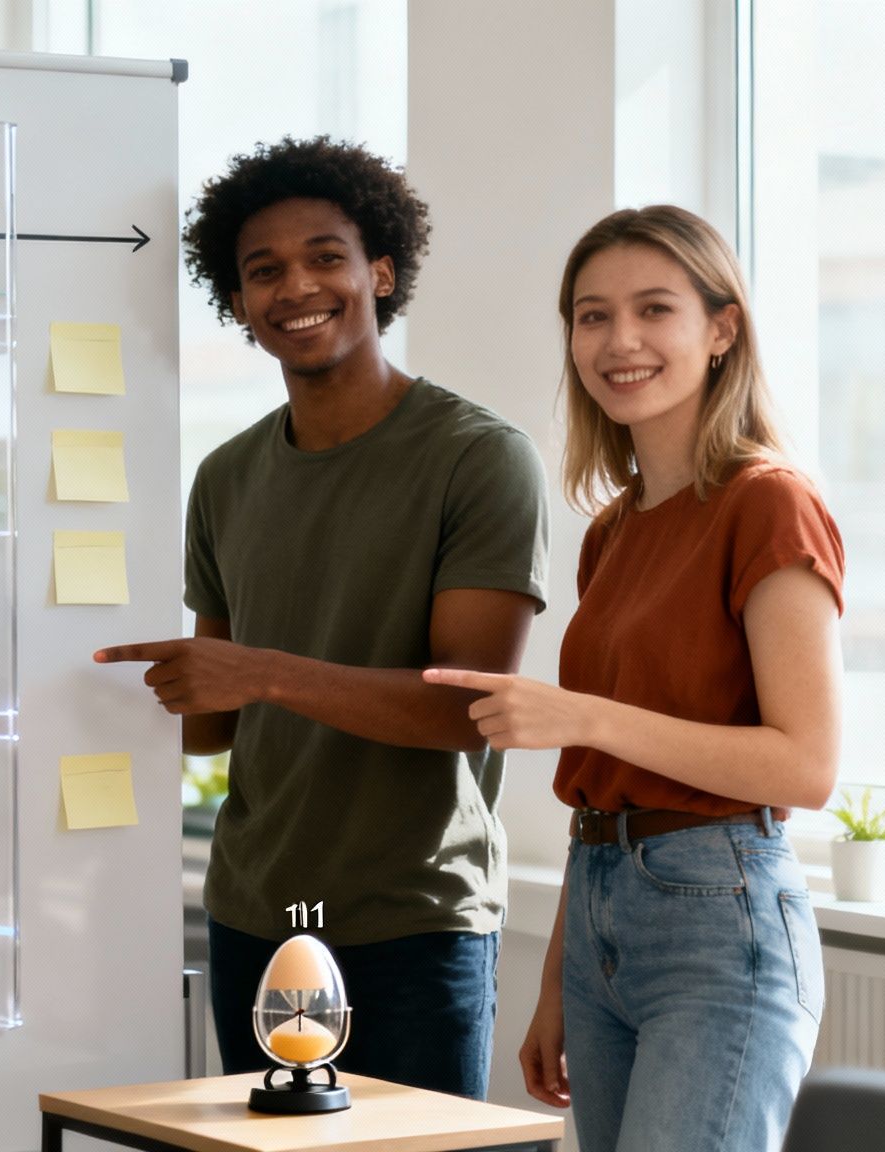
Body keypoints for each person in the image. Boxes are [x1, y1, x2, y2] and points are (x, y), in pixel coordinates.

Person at [94, 136, 548, 1098]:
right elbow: (213, 725)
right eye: (263, 271)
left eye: (325, 257)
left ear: (380, 272)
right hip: (254, 913)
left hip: (414, 919)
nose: (295, 286)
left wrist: (260, 672)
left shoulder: (479, 458)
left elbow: (465, 710)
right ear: (239, 304)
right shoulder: (224, 478)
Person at [426, 205, 841, 1151]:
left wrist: (584, 716)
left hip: (720, 916)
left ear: (722, 328)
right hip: (604, 907)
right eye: (591, 316)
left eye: (655, 310)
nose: (620, 342)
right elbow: (604, 794)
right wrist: (562, 979)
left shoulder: (769, 502)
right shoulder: (614, 530)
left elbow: (806, 766)